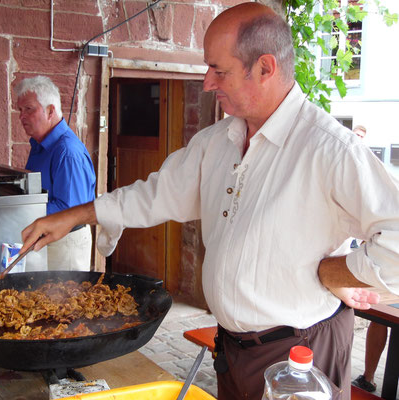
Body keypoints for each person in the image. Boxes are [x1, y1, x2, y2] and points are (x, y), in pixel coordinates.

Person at [20, 4, 399, 400]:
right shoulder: (217, 142)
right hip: (233, 350)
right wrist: (76, 215)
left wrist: (335, 272)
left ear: (266, 68)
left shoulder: (329, 150)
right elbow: (155, 194)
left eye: (219, 70)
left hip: (301, 358)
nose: (206, 83)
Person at [15, 76, 96, 271]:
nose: (21, 116)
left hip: (67, 242)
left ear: (50, 110)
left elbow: (71, 209)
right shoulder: (40, 144)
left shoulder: (68, 151)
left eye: (29, 109)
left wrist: (18, 210)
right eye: (20, 110)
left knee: (65, 300)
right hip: (47, 237)